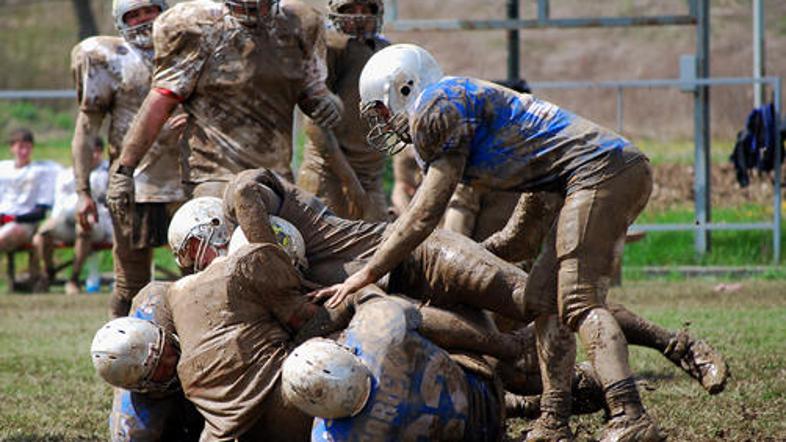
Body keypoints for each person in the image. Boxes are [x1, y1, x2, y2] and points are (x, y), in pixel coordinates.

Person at [318, 43, 666, 440]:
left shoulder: (436, 108)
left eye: (379, 109)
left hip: (602, 169)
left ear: (402, 89)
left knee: (577, 301)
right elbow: (520, 234)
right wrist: (475, 262)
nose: (382, 121)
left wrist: (366, 272)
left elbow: (423, 215)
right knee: (542, 298)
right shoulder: (452, 99)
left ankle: (630, 414)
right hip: (573, 178)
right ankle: (554, 418)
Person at [107, 0, 343, 213]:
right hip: (215, 174)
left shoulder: (298, 22)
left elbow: (311, 92)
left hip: (274, 174)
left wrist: (327, 103)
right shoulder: (200, 26)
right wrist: (125, 169)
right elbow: (160, 101)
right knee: (227, 250)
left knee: (298, 247)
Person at [70, 0, 186, 317]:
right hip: (134, 185)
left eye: (149, 10)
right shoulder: (109, 59)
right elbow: (85, 131)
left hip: (191, 180)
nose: (144, 20)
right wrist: (82, 192)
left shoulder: (190, 47)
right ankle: (122, 351)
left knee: (197, 279)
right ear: (120, 22)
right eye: (133, 14)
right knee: (129, 285)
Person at [297, 0, 389, 221]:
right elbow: (314, 124)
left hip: (371, 174)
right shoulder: (330, 46)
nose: (359, 16)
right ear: (336, 12)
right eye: (350, 9)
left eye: (366, 9)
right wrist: (350, 181)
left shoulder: (385, 49)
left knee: (380, 248)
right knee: (327, 249)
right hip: (329, 173)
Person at [32, 136, 113, 295]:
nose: (93, 155)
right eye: (90, 152)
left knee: (84, 227)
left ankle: (74, 278)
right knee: (43, 232)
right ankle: (49, 272)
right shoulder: (65, 174)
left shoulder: (106, 172)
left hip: (97, 224)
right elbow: (58, 205)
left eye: (97, 151)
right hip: (67, 220)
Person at [0, 129, 58, 289]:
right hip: (4, 220)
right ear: (12, 147)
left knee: (6, 233)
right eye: (20, 147)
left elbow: (40, 212)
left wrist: (12, 219)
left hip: (25, 224)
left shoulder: (40, 172)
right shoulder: (3, 169)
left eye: (27, 147)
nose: (23, 151)